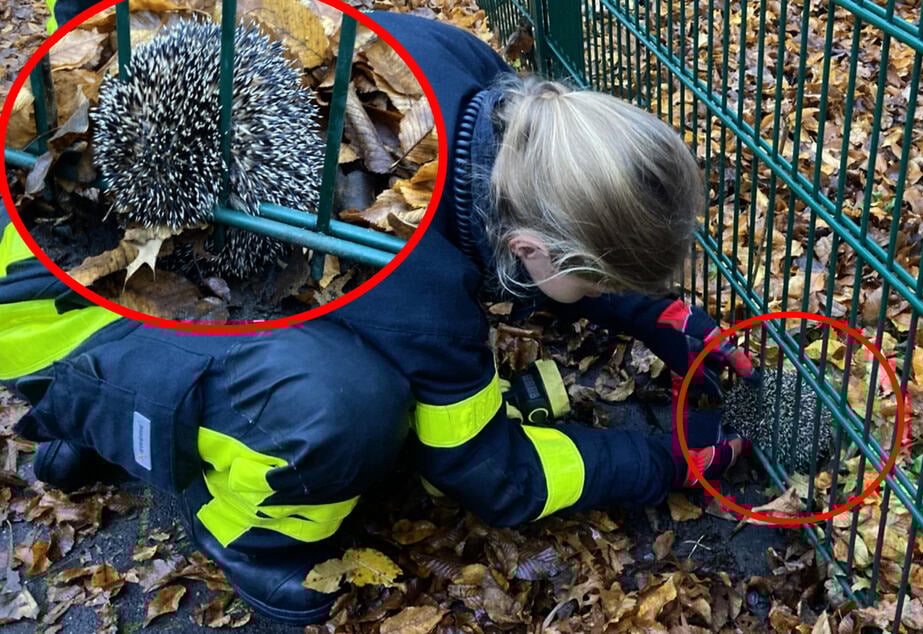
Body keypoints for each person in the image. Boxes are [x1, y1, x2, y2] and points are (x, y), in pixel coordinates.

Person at [3, 10, 757, 626]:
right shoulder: (420, 299)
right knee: (345, 407)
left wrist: (654, 313)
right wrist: (668, 460)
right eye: (596, 280)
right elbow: (491, 476)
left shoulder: (467, 70)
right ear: (527, 249)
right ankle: (248, 537)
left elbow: (550, 241)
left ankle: (117, 420)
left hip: (87, 240)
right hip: (56, 311)